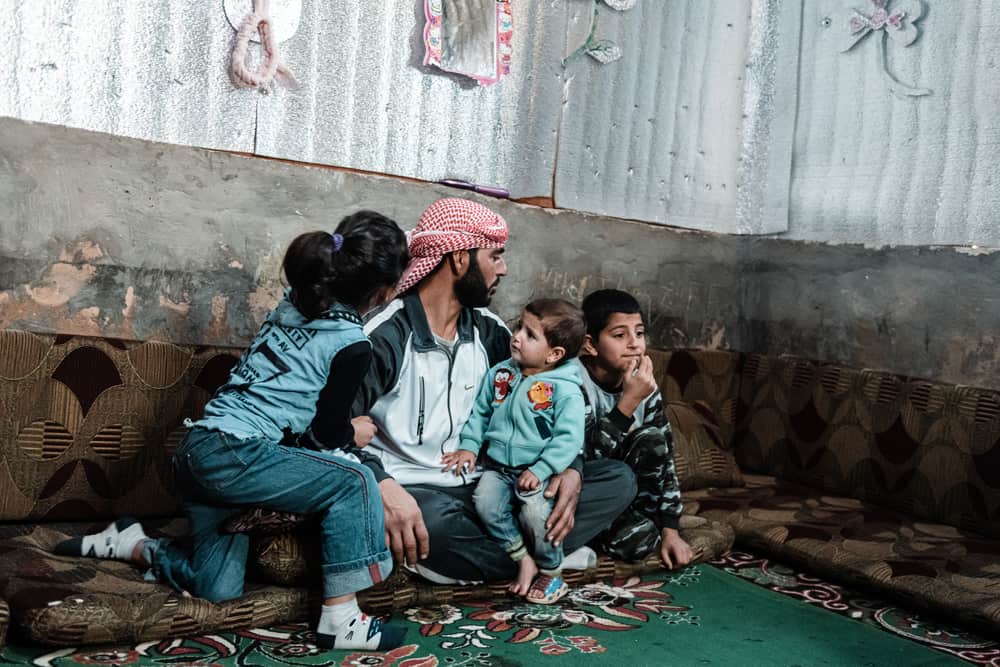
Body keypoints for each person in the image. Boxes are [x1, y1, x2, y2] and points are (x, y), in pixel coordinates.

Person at [57, 211, 411, 651]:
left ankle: (135, 545)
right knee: (354, 479)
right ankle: (341, 619)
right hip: (235, 455)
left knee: (218, 588)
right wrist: (352, 434)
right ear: (385, 291)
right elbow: (323, 435)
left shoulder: (294, 299)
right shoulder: (353, 344)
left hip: (199, 452)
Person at [353, 197, 637, 583]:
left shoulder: (492, 333)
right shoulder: (384, 336)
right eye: (495, 256)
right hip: (418, 492)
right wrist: (383, 486)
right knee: (433, 526)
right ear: (458, 260)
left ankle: (490, 560)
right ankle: (543, 555)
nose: (503, 269)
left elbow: (553, 400)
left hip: (493, 482)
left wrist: (571, 468)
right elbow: (332, 432)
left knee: (618, 480)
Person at [443, 299, 587, 603]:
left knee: (537, 513)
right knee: (485, 504)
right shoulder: (501, 374)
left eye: (530, 334)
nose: (517, 336)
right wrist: (469, 447)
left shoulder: (565, 390)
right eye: (519, 326)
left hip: (536, 469)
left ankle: (552, 571)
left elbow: (569, 438)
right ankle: (523, 558)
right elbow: (480, 413)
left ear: (554, 355)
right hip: (497, 466)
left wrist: (542, 469)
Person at [575, 289, 694, 569]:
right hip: (585, 495)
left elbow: (665, 460)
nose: (634, 345)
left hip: (629, 503)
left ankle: (628, 525)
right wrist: (627, 402)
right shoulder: (573, 382)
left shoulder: (646, 387)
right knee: (634, 538)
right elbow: (581, 462)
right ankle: (581, 534)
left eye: (639, 334)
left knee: (641, 540)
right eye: (619, 335)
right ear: (591, 344)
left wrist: (670, 531)